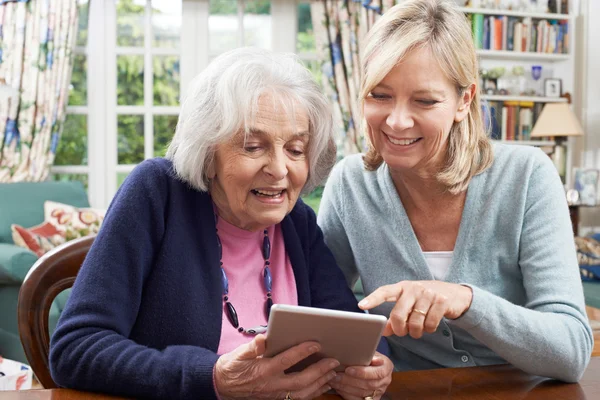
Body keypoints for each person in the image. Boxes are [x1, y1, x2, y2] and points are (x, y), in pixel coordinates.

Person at [49, 47, 393, 400]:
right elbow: (76, 348)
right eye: (254, 146)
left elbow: (356, 330)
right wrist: (211, 378)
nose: (278, 169)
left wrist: (372, 366)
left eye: (295, 149)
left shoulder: (296, 221)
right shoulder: (157, 194)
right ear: (208, 152)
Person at [318, 0, 593, 382]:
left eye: (425, 100)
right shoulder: (350, 184)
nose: (396, 122)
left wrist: (465, 301)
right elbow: (323, 310)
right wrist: (364, 362)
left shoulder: (528, 176)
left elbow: (571, 351)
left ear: (464, 101)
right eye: (379, 96)